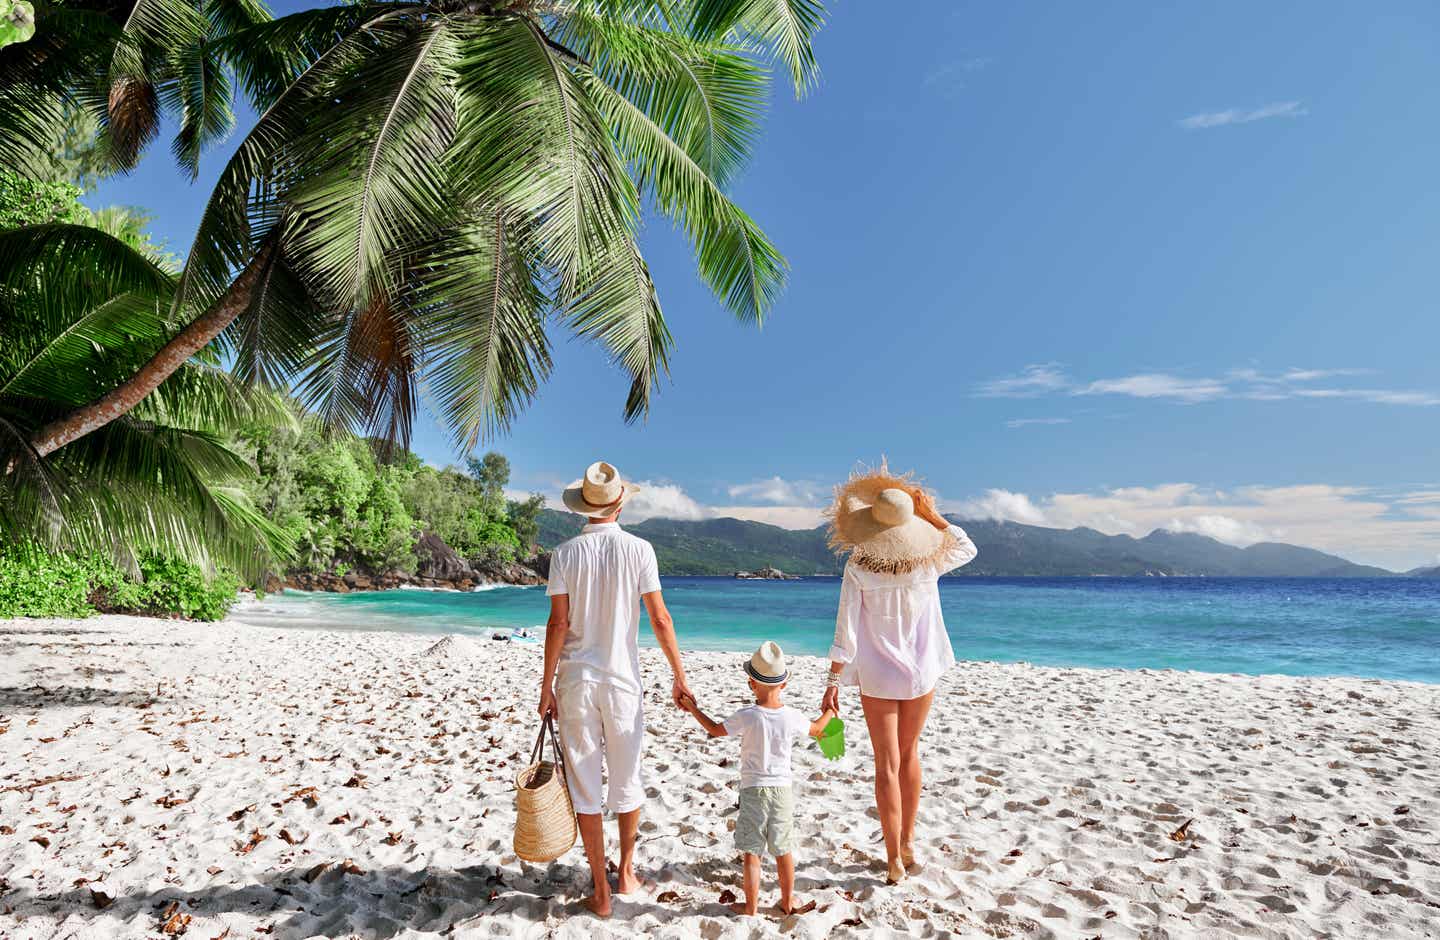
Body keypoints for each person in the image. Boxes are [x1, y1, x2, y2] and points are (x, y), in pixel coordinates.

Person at [537, 460, 693, 917]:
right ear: (621, 501)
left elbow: (558, 624)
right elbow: (661, 618)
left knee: (585, 784)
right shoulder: (641, 550)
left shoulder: (564, 554)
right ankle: (626, 872)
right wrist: (679, 676)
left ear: (584, 507)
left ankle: (599, 892)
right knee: (627, 780)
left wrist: (545, 685)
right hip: (623, 682)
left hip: (576, 682)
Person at [819, 464, 978, 885]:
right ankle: (908, 842)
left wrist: (832, 683)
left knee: (885, 764)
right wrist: (932, 515)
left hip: (876, 675)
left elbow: (845, 630)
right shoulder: (929, 563)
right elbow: (966, 546)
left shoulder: (858, 566)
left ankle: (892, 861)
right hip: (920, 672)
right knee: (909, 756)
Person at [682, 641, 834, 916]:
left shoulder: (748, 715)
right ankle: (788, 901)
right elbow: (817, 730)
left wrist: (693, 709)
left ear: (752, 684)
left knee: (752, 852)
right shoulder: (791, 716)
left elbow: (716, 730)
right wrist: (831, 712)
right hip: (782, 792)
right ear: (784, 684)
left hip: (753, 790)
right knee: (783, 848)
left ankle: (751, 906)